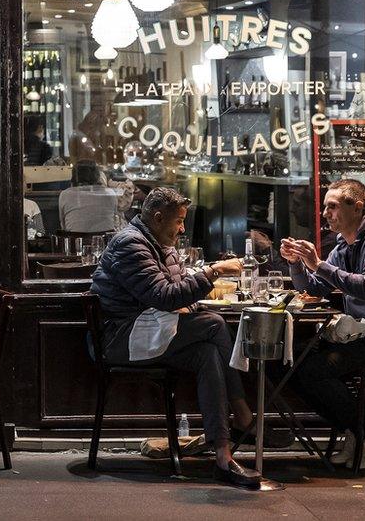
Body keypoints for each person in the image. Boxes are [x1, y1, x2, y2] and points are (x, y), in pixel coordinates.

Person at [91, 187, 272, 489]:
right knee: (214, 324)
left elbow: (178, 288)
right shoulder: (131, 244)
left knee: (208, 354)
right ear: (158, 218)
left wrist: (193, 295)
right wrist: (213, 271)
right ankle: (242, 413)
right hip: (121, 339)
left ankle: (223, 455)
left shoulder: (160, 242)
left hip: (151, 332)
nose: (182, 229)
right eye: (178, 222)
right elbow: (163, 296)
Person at [280, 179, 365, 470]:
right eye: (326, 207)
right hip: (364, 334)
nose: (325, 214)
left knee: (315, 369)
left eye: (332, 207)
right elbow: (316, 287)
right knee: (292, 364)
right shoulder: (345, 244)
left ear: (357, 207)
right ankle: (355, 430)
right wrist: (295, 263)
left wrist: (318, 263)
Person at [58, 159, 120, 233]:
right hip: (105, 243)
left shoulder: (65, 195)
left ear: (75, 176)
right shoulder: (109, 193)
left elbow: (63, 226)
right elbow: (115, 221)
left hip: (75, 243)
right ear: (97, 175)